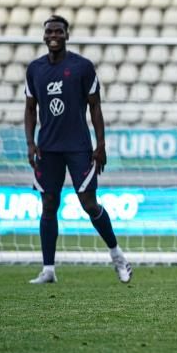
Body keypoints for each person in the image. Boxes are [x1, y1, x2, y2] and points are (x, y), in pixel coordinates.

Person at [24, 15, 132, 284]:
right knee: (48, 205)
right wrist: (30, 142)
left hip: (78, 147)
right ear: (44, 35)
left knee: (88, 204)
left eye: (59, 31)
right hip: (47, 148)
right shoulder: (34, 69)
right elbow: (29, 108)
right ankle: (48, 269)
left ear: (67, 35)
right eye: (49, 31)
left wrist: (101, 144)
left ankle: (117, 255)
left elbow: (95, 106)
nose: (54, 35)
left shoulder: (82, 67)